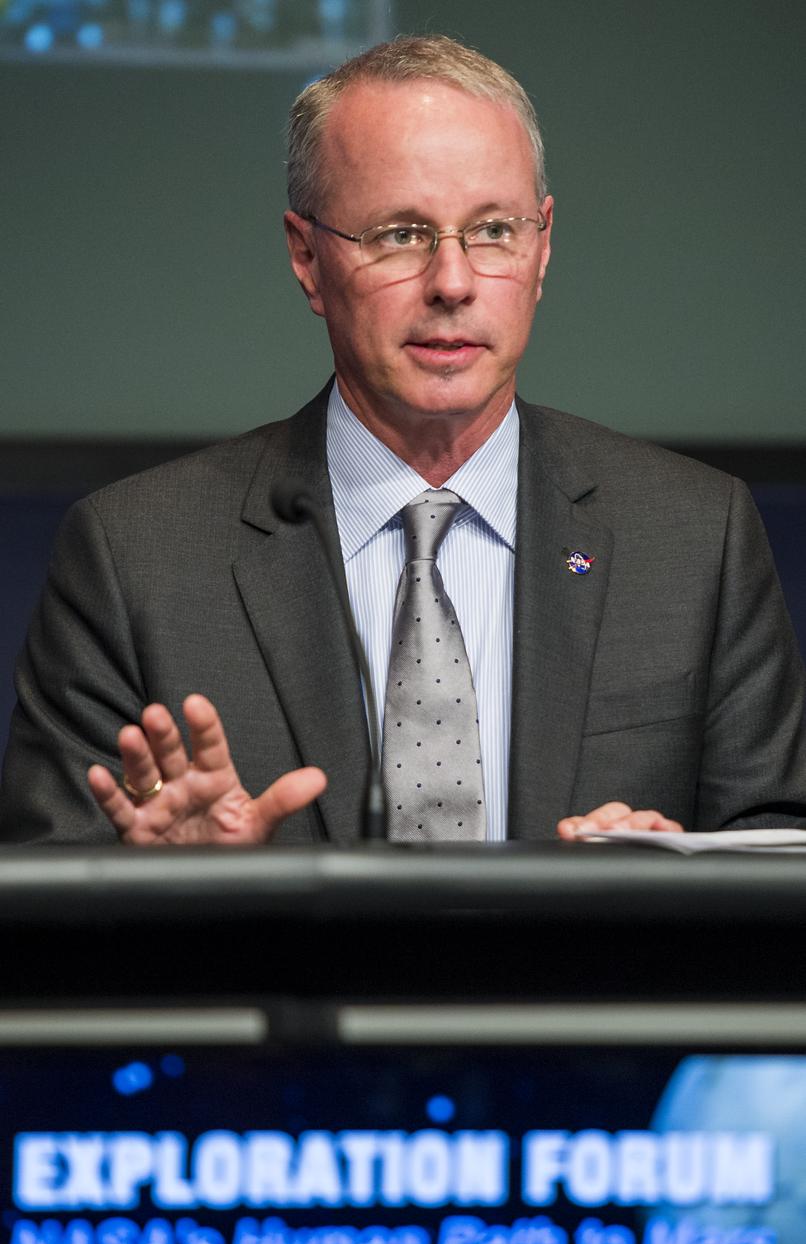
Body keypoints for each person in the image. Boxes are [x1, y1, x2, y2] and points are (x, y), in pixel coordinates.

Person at [1, 35, 805, 846]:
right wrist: (177, 894)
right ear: (307, 258)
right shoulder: (133, 558)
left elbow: (776, 858)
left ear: (543, 246)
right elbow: (44, 905)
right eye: (400, 235)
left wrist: (658, 894)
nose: (452, 283)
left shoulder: (698, 539)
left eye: (492, 230)